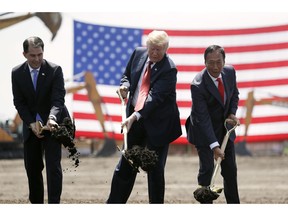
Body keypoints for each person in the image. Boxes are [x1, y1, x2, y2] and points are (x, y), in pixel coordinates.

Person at [107, 30, 182, 204]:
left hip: (159, 124)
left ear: (166, 49)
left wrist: (134, 116)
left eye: (159, 50)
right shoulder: (138, 53)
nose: (155, 53)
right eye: (152, 49)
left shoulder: (169, 69)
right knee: (126, 165)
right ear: (147, 46)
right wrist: (124, 86)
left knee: (154, 170)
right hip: (136, 122)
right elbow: (127, 75)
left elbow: (153, 98)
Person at [11, 36, 70, 203]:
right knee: (32, 168)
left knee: (53, 168)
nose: (37, 59)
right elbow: (19, 102)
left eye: (40, 54)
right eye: (32, 55)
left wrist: (52, 118)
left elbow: (58, 99)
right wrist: (31, 123)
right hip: (31, 127)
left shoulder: (55, 70)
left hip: (52, 126)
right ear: (24, 54)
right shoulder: (16, 73)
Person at [185, 45, 241, 204]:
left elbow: (234, 94)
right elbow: (202, 118)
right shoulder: (198, 85)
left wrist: (232, 113)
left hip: (225, 129)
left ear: (224, 61)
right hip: (203, 131)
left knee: (230, 171)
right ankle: (205, 204)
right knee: (207, 171)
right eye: (211, 63)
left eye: (219, 62)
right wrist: (214, 146)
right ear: (205, 62)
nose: (215, 67)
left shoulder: (230, 72)